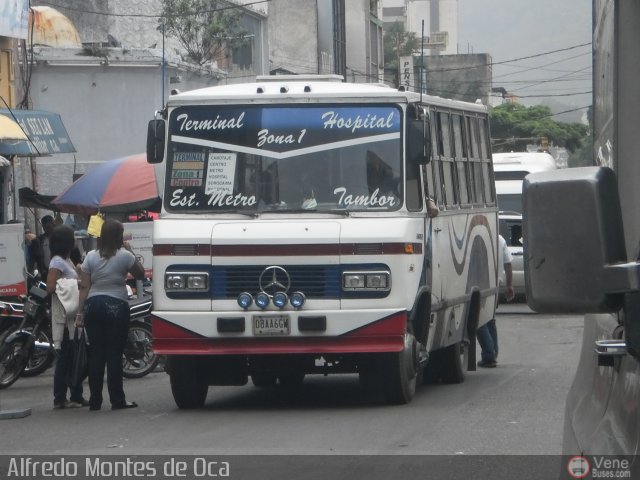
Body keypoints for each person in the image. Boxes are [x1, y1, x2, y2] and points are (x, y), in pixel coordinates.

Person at [77, 219, 145, 411]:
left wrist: (81, 311)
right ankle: (117, 399)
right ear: (118, 236)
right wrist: (130, 251)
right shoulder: (125, 256)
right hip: (116, 305)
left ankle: (95, 401)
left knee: (97, 354)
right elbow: (140, 275)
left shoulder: (90, 256)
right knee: (114, 354)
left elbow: (84, 286)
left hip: (93, 305)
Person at [46, 225, 88, 409]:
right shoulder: (57, 262)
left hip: (73, 317)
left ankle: (76, 395)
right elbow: (51, 286)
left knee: (74, 356)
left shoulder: (66, 260)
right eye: (73, 237)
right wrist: (76, 283)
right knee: (65, 358)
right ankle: (60, 398)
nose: (76, 240)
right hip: (64, 318)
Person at [477, 234, 514, 368]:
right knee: (490, 319)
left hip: (479, 283)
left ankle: (489, 355)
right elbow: (508, 263)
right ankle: (493, 352)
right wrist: (509, 285)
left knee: (479, 320)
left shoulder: (477, 234)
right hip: (495, 283)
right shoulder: (500, 238)